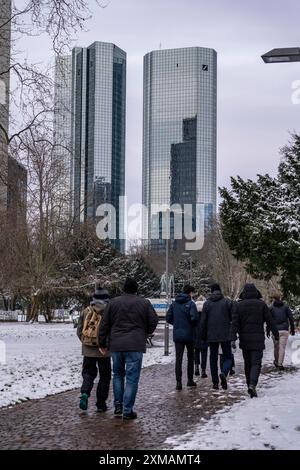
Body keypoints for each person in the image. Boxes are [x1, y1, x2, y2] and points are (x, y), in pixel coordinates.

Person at [98, 278, 158, 420]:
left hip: (117, 345)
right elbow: (153, 320)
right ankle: (127, 409)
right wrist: (145, 332)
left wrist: (102, 343)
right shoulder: (144, 303)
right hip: (135, 345)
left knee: (118, 375)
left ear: (123, 289)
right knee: (132, 378)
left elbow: (104, 324)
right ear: (136, 289)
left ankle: (118, 405)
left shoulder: (113, 303)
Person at [231, 283, 279, 398]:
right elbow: (270, 320)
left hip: (245, 339)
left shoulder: (238, 305)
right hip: (258, 339)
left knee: (248, 363)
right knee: (256, 363)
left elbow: (235, 324)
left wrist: (232, 338)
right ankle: (252, 384)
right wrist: (276, 334)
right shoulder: (261, 304)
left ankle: (249, 384)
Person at [77, 285, 111, 412]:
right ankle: (101, 404)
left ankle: (85, 393)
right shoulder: (109, 311)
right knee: (105, 376)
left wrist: (85, 342)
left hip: (88, 350)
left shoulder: (86, 311)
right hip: (104, 351)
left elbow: (79, 330)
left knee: (88, 373)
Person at [200, 283, 233, 390]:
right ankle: (224, 371)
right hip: (225, 334)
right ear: (220, 290)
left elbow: (203, 321)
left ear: (211, 291)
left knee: (213, 358)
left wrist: (203, 335)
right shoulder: (227, 302)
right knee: (228, 357)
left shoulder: (207, 304)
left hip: (211, 334)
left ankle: (215, 382)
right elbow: (233, 318)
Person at [166, 285, 199, 390]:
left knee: (178, 359)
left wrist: (176, 324)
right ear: (190, 293)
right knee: (190, 358)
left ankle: (178, 382)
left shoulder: (174, 303)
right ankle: (190, 380)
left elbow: (168, 317)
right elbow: (194, 318)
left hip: (178, 334)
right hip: (189, 334)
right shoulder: (191, 304)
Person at [268, 291, 295, 370]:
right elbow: (291, 318)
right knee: (282, 347)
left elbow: (269, 320)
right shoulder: (286, 307)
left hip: (275, 330)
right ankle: (280, 364)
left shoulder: (271, 307)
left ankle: (276, 361)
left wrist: (268, 330)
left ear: (273, 298)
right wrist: (292, 329)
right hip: (284, 330)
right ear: (280, 297)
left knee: (276, 347)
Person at [194, 295, 208, 378]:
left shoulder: (194, 307)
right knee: (204, 352)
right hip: (204, 333)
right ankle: (203, 370)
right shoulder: (206, 309)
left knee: (196, 351)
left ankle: (196, 367)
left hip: (195, 333)